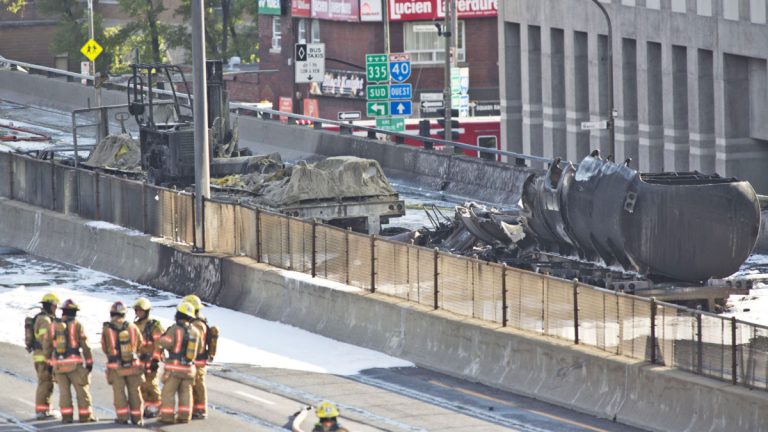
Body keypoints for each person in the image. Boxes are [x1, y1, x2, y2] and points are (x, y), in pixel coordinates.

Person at [43, 299, 97, 424]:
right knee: (82, 391)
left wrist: (49, 363)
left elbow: (47, 345)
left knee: (64, 394)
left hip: (58, 366)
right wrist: (89, 363)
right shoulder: (77, 325)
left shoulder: (54, 325)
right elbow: (85, 346)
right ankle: (85, 417)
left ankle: (67, 418)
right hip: (74, 365)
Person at [101, 301, 145, 425]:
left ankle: (123, 418)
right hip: (133, 365)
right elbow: (140, 343)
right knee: (135, 391)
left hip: (116, 366)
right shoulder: (132, 326)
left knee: (119, 392)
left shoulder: (107, 328)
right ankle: (137, 418)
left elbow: (104, 347)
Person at [157, 301, 200, 424]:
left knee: (168, 393)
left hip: (175, 368)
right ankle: (184, 416)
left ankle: (167, 417)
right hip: (189, 368)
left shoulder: (175, 329)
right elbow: (199, 348)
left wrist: (163, 338)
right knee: (186, 392)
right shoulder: (195, 331)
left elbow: (166, 342)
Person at [183, 294, 219, 420]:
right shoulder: (194, 321)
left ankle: (201, 409)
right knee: (193, 385)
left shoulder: (197, 324)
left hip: (197, 359)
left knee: (198, 384)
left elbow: (197, 344)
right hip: (195, 358)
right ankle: (195, 409)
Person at [26, 292, 59, 419]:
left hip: (40, 355)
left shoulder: (40, 318)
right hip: (44, 356)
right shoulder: (45, 320)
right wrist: (49, 358)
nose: (56, 308)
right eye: (55, 306)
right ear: (50, 305)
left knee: (47, 383)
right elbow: (46, 340)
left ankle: (45, 409)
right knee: (45, 383)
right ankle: (41, 411)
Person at [133, 297, 164, 418]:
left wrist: (155, 359)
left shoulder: (154, 325)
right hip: (139, 359)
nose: (138, 313)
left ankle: (156, 406)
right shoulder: (135, 325)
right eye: (137, 310)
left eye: (141, 310)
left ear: (146, 311)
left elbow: (159, 343)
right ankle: (147, 407)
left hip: (151, 360)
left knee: (151, 384)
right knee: (141, 384)